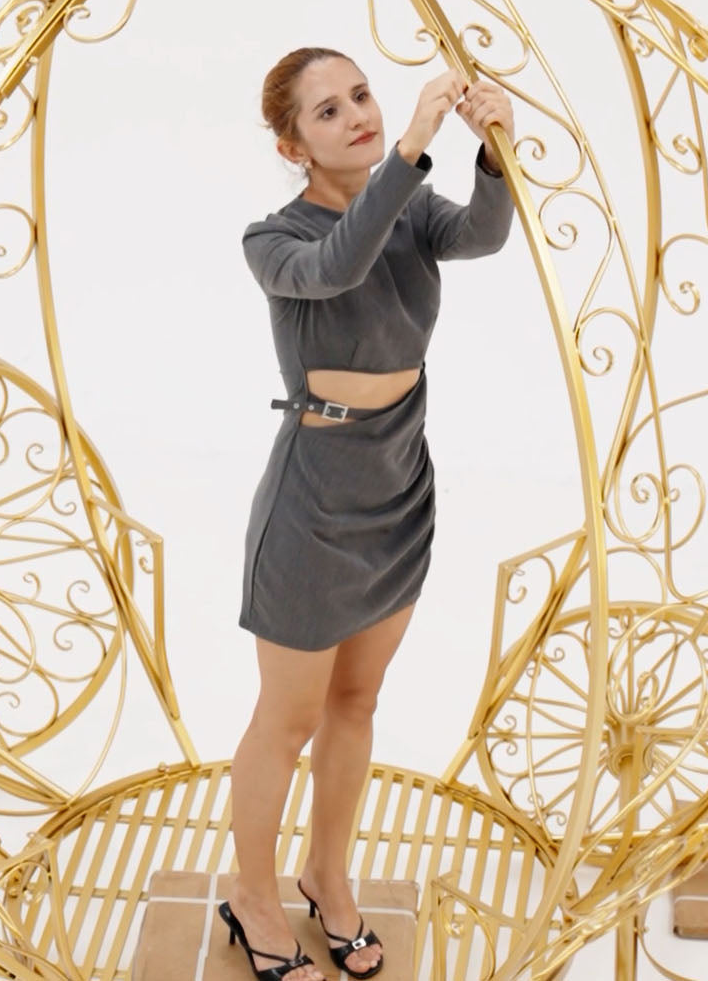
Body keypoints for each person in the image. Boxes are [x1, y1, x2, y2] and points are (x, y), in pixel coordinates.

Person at [218, 48, 516, 981]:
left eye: (361, 95)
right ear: (291, 146)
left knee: (357, 701)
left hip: (399, 485)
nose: (357, 115)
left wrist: (494, 149)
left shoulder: (410, 208)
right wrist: (415, 145)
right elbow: (339, 266)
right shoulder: (275, 240)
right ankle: (253, 897)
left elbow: (483, 236)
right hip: (313, 507)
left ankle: (327, 875)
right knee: (288, 718)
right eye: (327, 111)